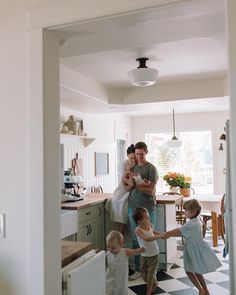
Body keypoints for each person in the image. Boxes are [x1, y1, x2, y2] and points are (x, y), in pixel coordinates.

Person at [162, 199, 222, 295]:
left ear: (193, 211)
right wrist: (168, 234)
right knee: (197, 271)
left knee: (189, 271)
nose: (184, 212)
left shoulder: (190, 224)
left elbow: (179, 230)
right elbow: (182, 233)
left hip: (191, 250)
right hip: (195, 249)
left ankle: (201, 290)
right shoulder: (195, 221)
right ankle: (206, 290)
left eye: (186, 210)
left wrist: (167, 233)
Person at [122, 141, 159, 280]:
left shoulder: (151, 169)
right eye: (137, 154)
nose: (139, 157)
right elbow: (124, 183)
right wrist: (132, 183)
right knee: (136, 241)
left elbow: (150, 191)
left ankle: (152, 271)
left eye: (142, 154)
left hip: (148, 209)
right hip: (133, 207)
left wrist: (135, 186)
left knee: (149, 239)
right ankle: (139, 270)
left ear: (146, 153)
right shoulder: (133, 167)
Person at [106, 144, 137, 236]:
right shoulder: (125, 163)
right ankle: (119, 234)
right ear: (127, 156)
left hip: (133, 189)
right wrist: (129, 168)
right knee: (120, 202)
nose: (133, 160)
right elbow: (123, 179)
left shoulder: (139, 162)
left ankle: (121, 234)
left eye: (134, 157)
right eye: (131, 158)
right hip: (123, 188)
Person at [105, 230, 145, 295]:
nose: (110, 249)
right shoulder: (108, 253)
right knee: (110, 290)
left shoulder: (125, 252)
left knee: (121, 290)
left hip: (121, 278)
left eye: (113, 248)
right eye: (108, 246)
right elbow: (102, 258)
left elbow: (134, 252)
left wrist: (140, 250)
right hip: (110, 277)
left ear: (121, 245)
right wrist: (98, 253)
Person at [133, 207, 162, 295]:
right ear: (139, 221)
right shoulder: (138, 230)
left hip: (154, 254)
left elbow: (153, 232)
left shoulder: (150, 225)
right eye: (146, 218)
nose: (149, 219)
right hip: (145, 256)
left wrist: (160, 234)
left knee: (149, 276)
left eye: (148, 217)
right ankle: (154, 280)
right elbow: (147, 239)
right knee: (144, 274)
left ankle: (148, 292)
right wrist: (159, 236)